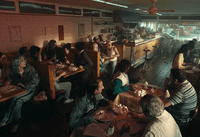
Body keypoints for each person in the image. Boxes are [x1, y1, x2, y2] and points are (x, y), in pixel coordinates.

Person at [0, 55, 40, 132]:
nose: (25, 61)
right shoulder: (13, 69)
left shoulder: (29, 68)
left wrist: (23, 77)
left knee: (17, 99)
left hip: (31, 89)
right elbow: (11, 78)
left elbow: (36, 81)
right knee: (15, 101)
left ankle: (6, 119)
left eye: (24, 59)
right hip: (19, 89)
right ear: (16, 63)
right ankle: (16, 122)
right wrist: (9, 82)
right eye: (22, 60)